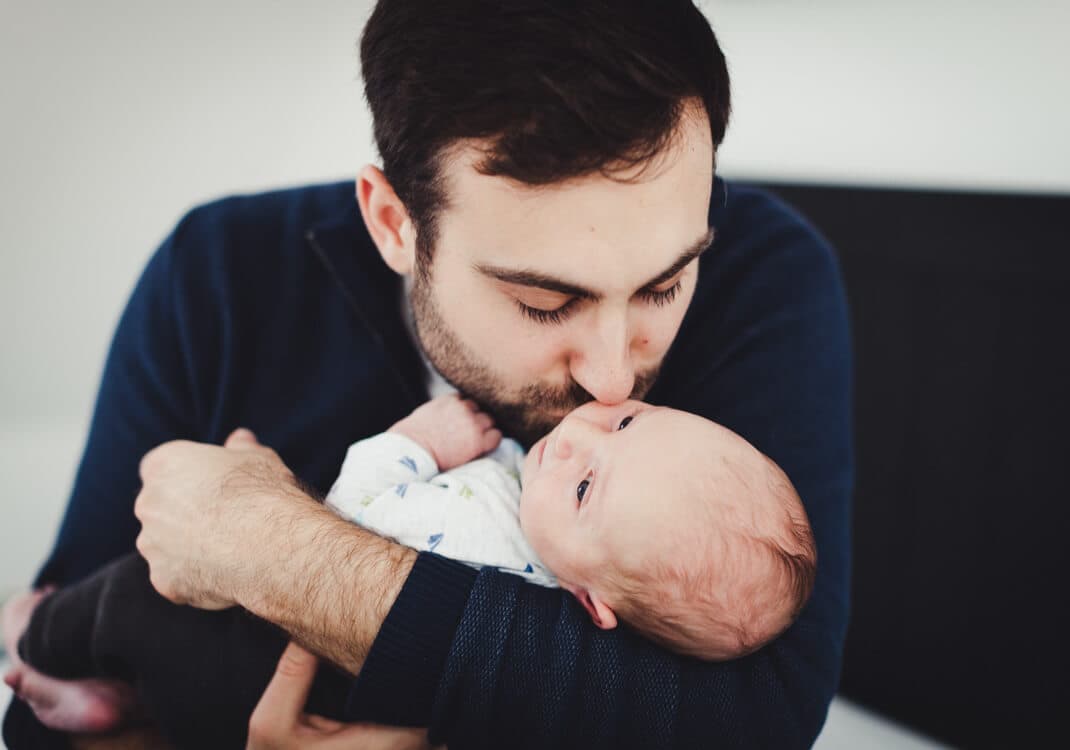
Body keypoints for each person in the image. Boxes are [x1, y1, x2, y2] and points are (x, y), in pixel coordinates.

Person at [2, 1, 854, 748]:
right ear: (393, 223)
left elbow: (755, 717)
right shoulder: (218, 271)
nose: (610, 384)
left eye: (665, 285)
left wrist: (268, 548)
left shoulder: (767, 271)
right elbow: (49, 690)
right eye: (545, 302)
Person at [9, 394, 816, 746]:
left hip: (229, 659)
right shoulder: (567, 586)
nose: (578, 438)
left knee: (118, 595)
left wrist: (421, 441)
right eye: (629, 423)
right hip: (251, 712)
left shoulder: (482, 529)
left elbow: (359, 508)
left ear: (594, 601)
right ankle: (97, 697)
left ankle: (42, 647)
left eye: (583, 485)